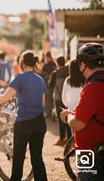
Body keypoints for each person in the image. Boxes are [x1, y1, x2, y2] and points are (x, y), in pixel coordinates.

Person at [0, 50, 47, 181]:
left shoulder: (19, 78)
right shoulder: (40, 80)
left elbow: (5, 98)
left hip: (23, 123)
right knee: (37, 159)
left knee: (18, 160)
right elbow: (43, 102)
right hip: (39, 122)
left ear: (21, 63)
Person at [61, 43, 104, 180]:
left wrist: (69, 116)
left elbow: (79, 124)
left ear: (83, 64)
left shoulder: (93, 87)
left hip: (90, 152)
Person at [49, 56, 71, 146]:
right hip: (68, 99)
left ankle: (62, 138)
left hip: (58, 98)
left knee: (60, 118)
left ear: (57, 63)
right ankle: (69, 138)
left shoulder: (54, 73)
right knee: (68, 118)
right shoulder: (68, 71)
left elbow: (50, 86)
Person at [41, 51, 56, 119]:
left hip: (47, 85)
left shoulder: (45, 65)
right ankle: (53, 114)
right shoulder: (54, 64)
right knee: (52, 100)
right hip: (54, 85)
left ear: (47, 57)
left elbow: (42, 75)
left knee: (47, 100)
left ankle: (48, 114)